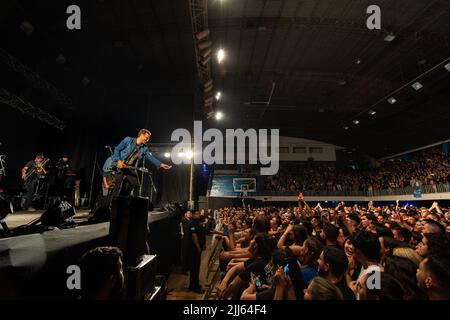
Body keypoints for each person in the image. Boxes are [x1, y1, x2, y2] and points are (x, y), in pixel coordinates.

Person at [104, 129, 171, 197]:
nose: (148, 140)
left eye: (148, 138)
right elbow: (117, 149)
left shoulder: (144, 148)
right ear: (141, 135)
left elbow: (150, 157)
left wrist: (160, 164)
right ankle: (112, 204)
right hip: (120, 165)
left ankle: (132, 203)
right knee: (117, 186)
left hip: (129, 167)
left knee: (136, 185)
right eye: (146, 137)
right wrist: (119, 161)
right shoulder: (128, 140)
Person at [187, 210, 206, 293]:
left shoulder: (197, 222)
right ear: (193, 215)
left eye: (199, 214)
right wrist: (198, 247)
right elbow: (194, 236)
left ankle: (194, 285)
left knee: (196, 268)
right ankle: (194, 287)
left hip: (197, 249)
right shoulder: (192, 223)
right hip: (193, 249)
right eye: (197, 214)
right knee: (194, 268)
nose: (199, 215)